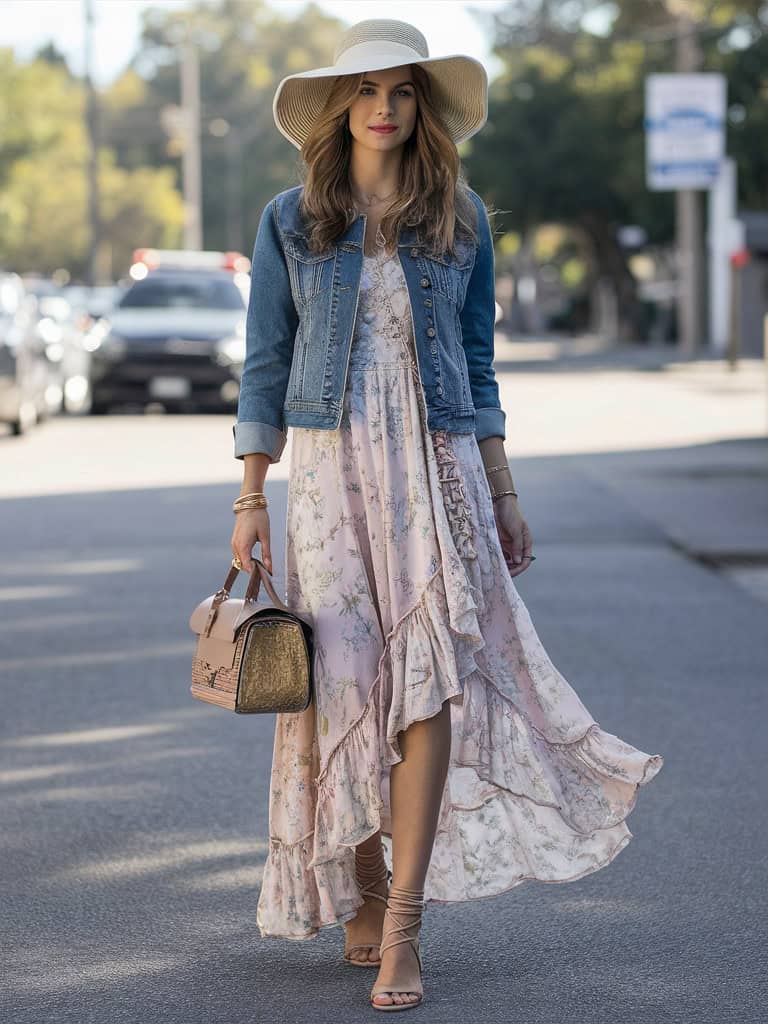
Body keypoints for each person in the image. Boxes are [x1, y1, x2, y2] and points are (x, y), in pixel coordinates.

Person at [230, 18, 664, 1013]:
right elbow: (264, 363)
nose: (384, 107)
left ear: (422, 106)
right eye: (366, 89)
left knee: (427, 685)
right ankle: (361, 878)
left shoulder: (458, 218)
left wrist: (503, 491)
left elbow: (477, 364)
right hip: (332, 474)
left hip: (439, 469)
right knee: (343, 683)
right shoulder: (291, 220)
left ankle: (405, 925)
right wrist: (251, 494)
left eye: (402, 90)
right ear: (339, 106)